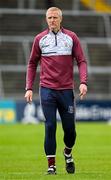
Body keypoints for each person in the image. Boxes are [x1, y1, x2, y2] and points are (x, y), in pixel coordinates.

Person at [25, 7, 88, 175]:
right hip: (47, 90)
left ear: (61, 19)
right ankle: (51, 166)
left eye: (54, 17)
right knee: (50, 125)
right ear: (46, 19)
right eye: (49, 17)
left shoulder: (71, 37)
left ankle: (67, 153)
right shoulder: (40, 39)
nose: (52, 20)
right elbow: (32, 64)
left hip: (66, 91)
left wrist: (83, 82)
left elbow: (81, 61)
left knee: (70, 130)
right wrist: (29, 88)